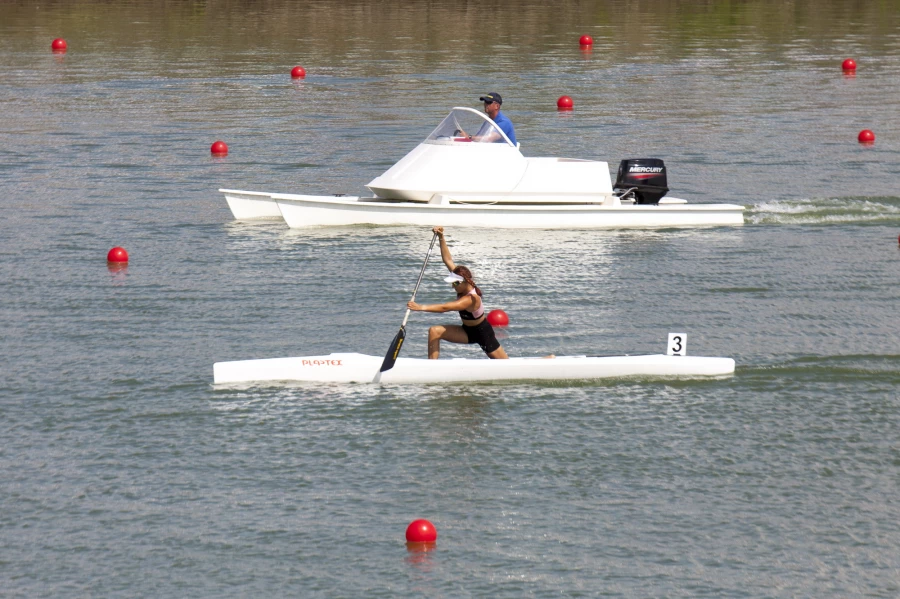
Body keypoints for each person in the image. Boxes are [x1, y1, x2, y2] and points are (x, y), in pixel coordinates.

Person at [407, 227, 509, 360]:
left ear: (465, 282)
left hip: (483, 334)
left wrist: (420, 307)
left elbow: (445, 307)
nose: (452, 286)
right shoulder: (460, 280)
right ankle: (432, 367)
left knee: (504, 364)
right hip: (466, 331)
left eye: (455, 284)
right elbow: (447, 260)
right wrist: (441, 237)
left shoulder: (471, 298)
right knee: (434, 331)